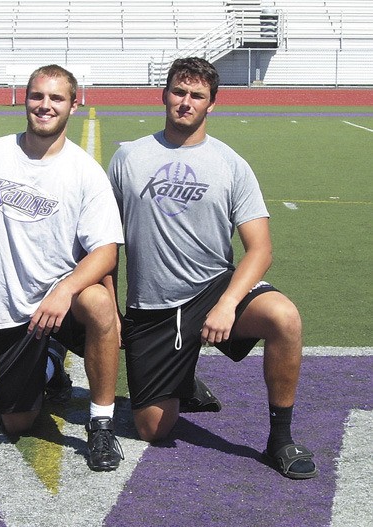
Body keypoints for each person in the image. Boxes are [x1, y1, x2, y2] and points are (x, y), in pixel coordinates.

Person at [107, 57, 318, 479]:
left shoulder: (231, 163)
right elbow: (106, 242)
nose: (186, 102)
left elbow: (260, 249)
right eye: (179, 92)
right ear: (164, 95)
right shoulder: (128, 158)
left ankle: (280, 438)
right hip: (154, 307)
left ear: (211, 104)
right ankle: (184, 379)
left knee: (284, 318)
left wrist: (227, 304)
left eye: (197, 96)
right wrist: (113, 309)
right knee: (152, 429)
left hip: (214, 290)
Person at [0, 64, 124, 471]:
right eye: (37, 96)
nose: (45, 106)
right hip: (9, 306)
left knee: (100, 303)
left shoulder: (86, 172)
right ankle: (51, 367)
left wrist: (64, 291)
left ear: (73, 105)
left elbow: (106, 253)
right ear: (25, 98)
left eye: (56, 98)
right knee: (17, 422)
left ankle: (101, 424)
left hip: (64, 302)